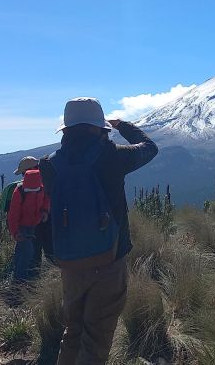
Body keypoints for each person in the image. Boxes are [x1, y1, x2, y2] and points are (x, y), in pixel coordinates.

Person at [40, 97, 158, 365]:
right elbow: (151, 148)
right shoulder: (113, 156)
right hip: (109, 261)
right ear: (99, 127)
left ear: (66, 129)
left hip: (70, 264)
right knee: (97, 338)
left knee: (72, 334)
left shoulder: (48, 165)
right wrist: (124, 126)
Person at [7, 163, 50, 283]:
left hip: (34, 225)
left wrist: (45, 211)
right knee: (27, 251)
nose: (31, 192)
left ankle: (23, 278)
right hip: (22, 227)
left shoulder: (42, 189)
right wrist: (16, 232)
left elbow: (46, 200)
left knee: (25, 252)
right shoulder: (19, 192)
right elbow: (13, 215)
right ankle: (21, 281)